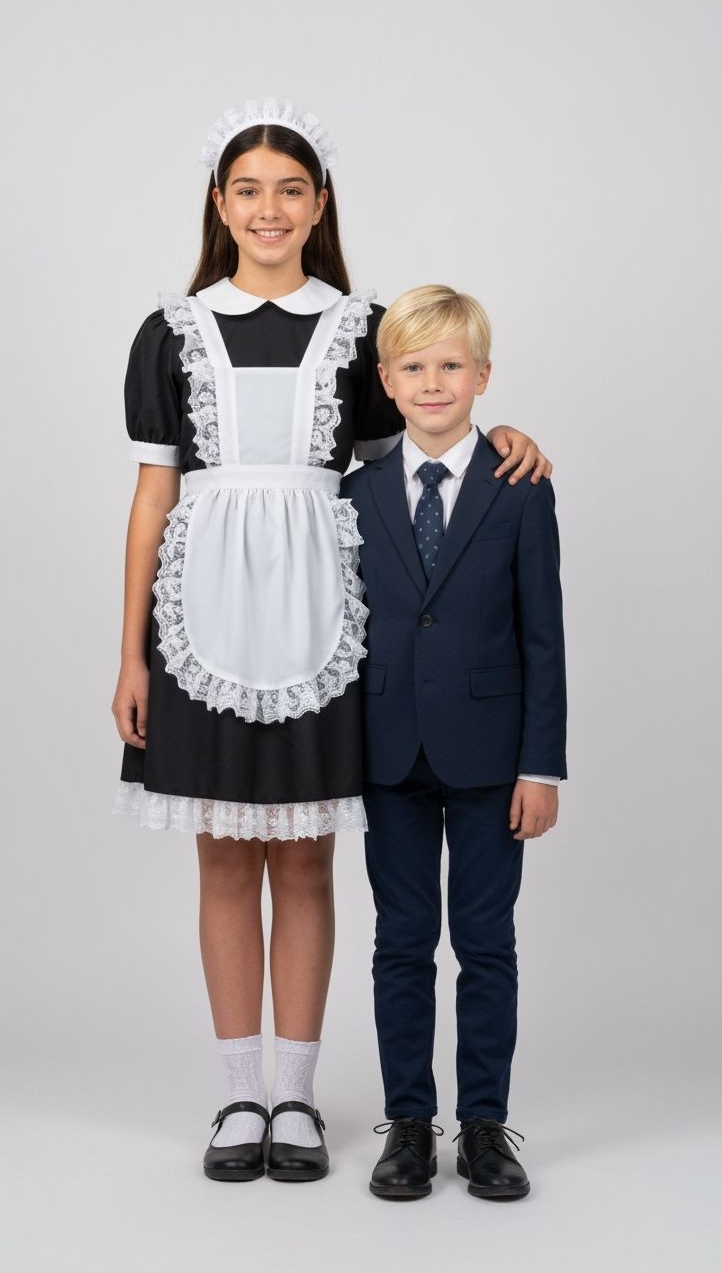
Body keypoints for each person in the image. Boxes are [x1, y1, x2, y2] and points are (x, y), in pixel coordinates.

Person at [110, 100, 552, 1185]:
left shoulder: (358, 329)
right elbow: (151, 493)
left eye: (290, 189)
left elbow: (420, 439)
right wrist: (129, 653)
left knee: (306, 857)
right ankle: (236, 1094)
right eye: (248, 189)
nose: (269, 208)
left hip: (323, 616)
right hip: (200, 613)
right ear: (220, 204)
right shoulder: (170, 328)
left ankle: (298, 1096)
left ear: (318, 205)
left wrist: (505, 436)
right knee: (223, 855)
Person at [341, 284, 567, 1201]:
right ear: (388, 383)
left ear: (481, 377)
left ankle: (483, 1125)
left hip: (489, 758)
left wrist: (540, 764)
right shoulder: (355, 495)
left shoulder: (520, 489)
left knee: (485, 942)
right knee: (401, 942)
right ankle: (407, 1122)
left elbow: (543, 634)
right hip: (386, 755)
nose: (432, 383)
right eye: (413, 368)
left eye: (449, 367)